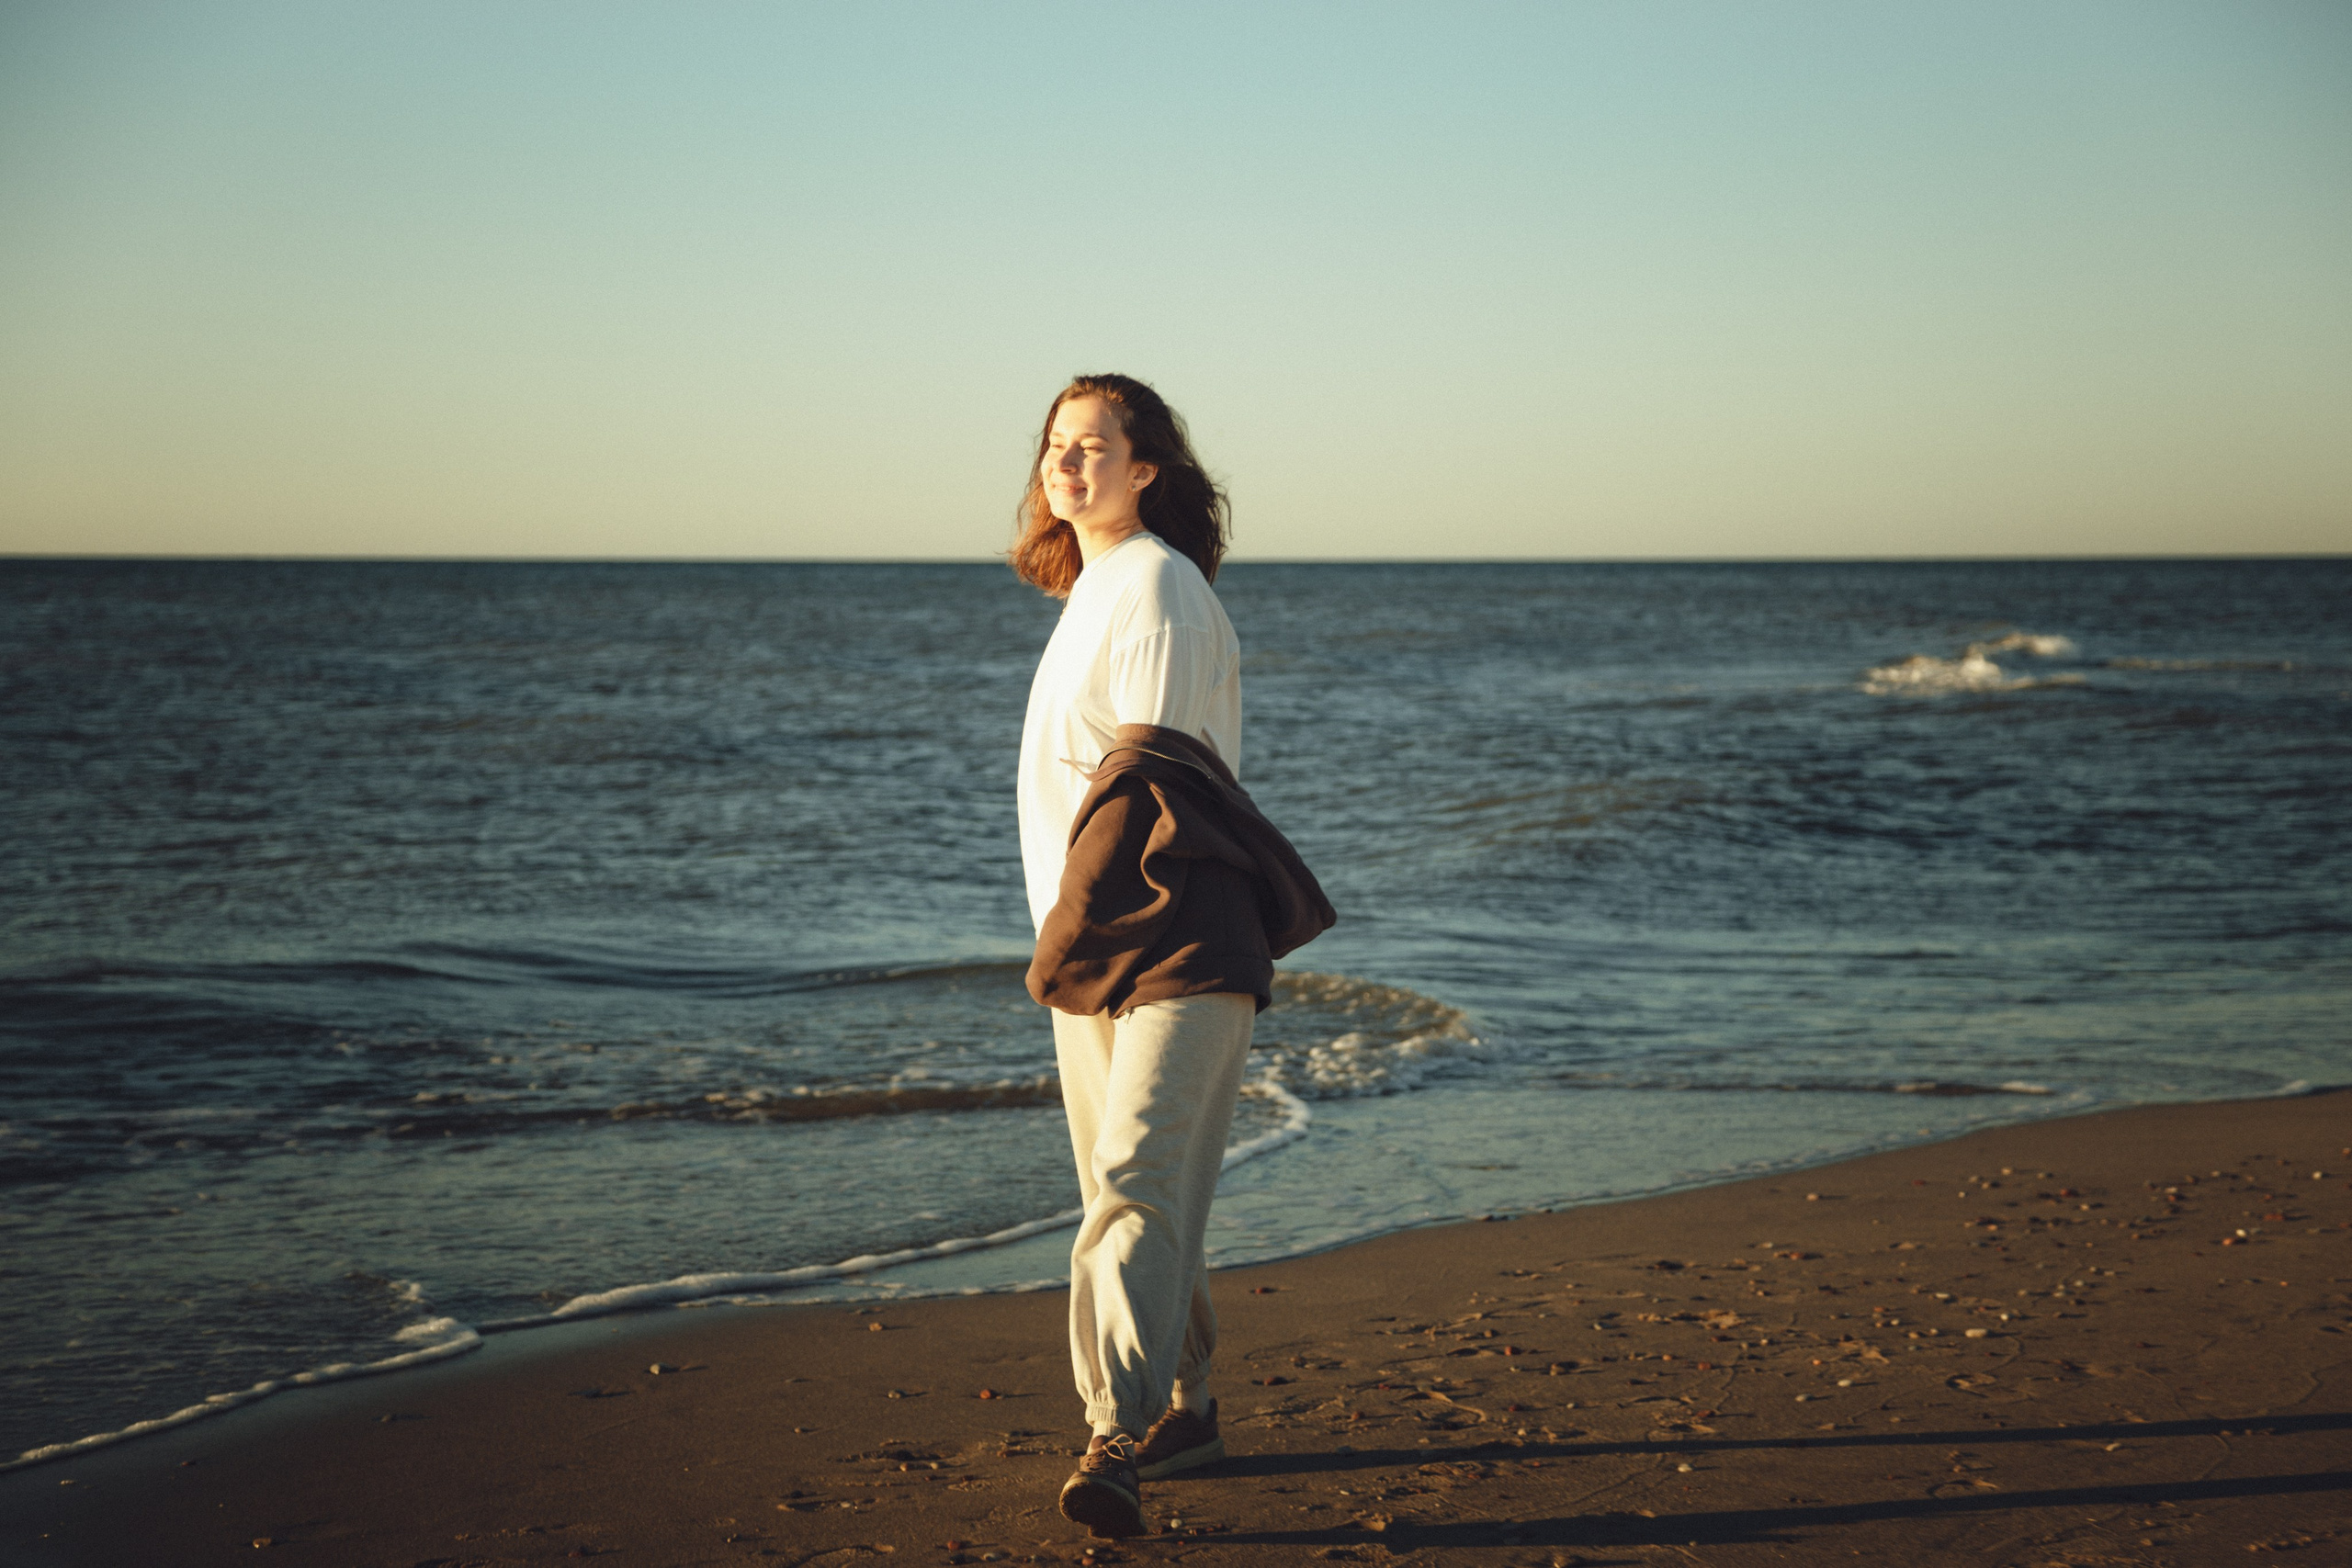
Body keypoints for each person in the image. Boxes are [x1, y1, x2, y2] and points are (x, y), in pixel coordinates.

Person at [1010, 374, 1328, 1540]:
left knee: (1137, 1179)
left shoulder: (1156, 584)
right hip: (1098, 942)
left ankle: (1114, 1435)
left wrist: (1073, 936)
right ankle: (1187, 1411)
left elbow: (1149, 789)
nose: (1065, 463)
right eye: (1056, 444)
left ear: (1145, 469)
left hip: (1175, 935)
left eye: (1093, 445)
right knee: (1133, 1188)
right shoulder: (1091, 591)